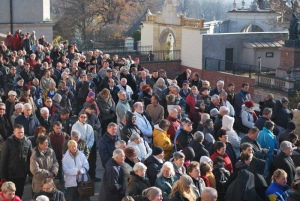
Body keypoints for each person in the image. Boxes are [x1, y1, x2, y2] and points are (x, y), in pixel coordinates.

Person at [0, 124, 32, 198]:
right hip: (10, 175)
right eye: (19, 132)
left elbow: (30, 158)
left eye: (22, 132)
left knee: (19, 194)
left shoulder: (28, 142)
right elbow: (3, 161)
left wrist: (30, 173)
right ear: (14, 132)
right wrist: (2, 176)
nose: (21, 134)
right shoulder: (8, 143)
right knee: (10, 195)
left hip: (22, 174)